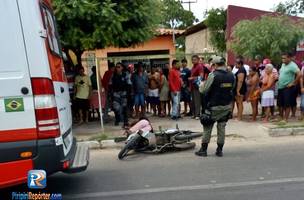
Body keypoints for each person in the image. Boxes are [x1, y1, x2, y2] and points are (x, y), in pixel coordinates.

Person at [195, 56, 235, 157]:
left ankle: (203, 150)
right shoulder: (231, 75)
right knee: (221, 128)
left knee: (207, 127)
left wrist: (200, 85)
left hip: (213, 107)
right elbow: (231, 89)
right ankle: (219, 150)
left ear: (215, 65)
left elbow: (204, 90)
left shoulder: (213, 75)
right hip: (226, 106)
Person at [277, 52, 301, 123]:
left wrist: (293, 83)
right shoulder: (283, 64)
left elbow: (299, 74)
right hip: (280, 87)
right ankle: (281, 117)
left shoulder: (293, 65)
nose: (283, 59)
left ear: (289, 58)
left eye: (284, 58)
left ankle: (285, 119)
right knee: (280, 104)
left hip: (287, 88)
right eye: (282, 58)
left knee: (287, 104)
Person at [109, 63, 132, 128]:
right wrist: (110, 93)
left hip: (124, 93)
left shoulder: (125, 75)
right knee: (116, 108)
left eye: (119, 67)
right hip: (116, 93)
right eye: (116, 67)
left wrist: (129, 93)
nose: (117, 68)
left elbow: (129, 84)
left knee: (124, 107)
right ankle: (117, 119)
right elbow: (110, 84)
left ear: (122, 68)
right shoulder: (113, 75)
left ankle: (125, 121)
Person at [189, 55, 204, 120]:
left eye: (195, 59)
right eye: (192, 59)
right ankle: (194, 114)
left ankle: (197, 114)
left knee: (197, 101)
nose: (193, 61)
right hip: (192, 86)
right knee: (193, 101)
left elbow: (201, 76)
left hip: (197, 86)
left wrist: (192, 78)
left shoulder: (199, 66)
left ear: (198, 60)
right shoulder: (193, 67)